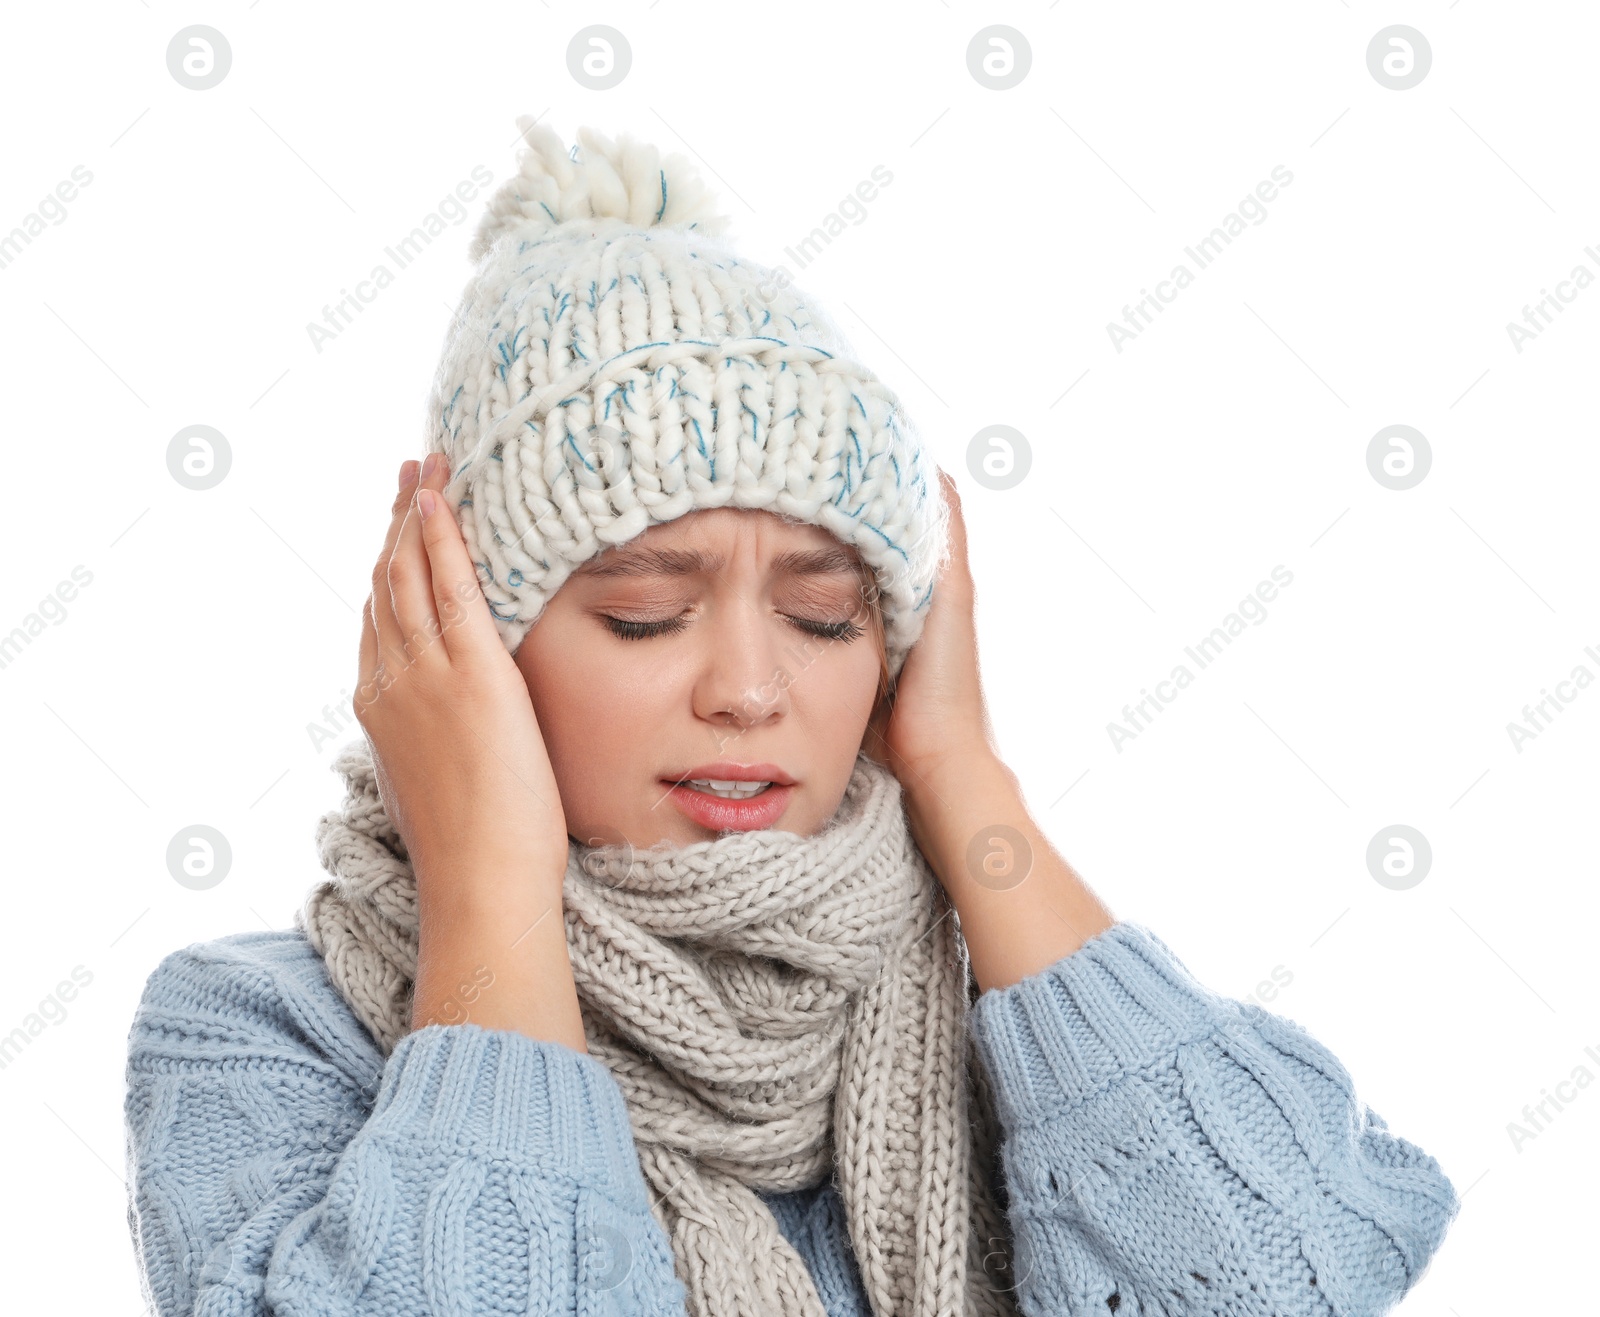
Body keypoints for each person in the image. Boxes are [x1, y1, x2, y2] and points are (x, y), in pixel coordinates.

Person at [123, 121, 1460, 1317]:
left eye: (827, 618)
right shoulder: (257, 1032)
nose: (751, 690)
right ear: (465, 637)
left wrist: (961, 772)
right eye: (647, 612)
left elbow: (1292, 1276)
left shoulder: (1012, 997)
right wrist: (485, 887)